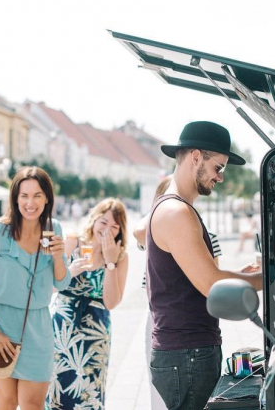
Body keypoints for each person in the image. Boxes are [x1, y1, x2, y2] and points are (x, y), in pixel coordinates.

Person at [147, 121, 263, 410]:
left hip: (187, 353)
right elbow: (211, 284)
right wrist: (268, 278)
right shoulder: (175, 212)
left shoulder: (176, 208)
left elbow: (200, 277)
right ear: (196, 157)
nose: (220, 177)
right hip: (186, 354)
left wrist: (240, 275)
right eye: (219, 167)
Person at [0, 166, 72, 410]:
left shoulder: (54, 229)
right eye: (24, 196)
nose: (31, 203)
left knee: (32, 404)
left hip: (38, 329)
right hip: (1, 328)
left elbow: (61, 283)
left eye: (37, 195)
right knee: (6, 403)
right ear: (15, 198)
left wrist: (59, 256)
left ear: (47, 198)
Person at [133, 175, 223, 410]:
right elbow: (137, 231)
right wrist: (165, 202)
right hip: (170, 326)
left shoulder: (195, 227)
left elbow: (212, 277)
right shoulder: (165, 218)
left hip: (184, 326)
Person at [47, 198, 130, 410]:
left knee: (90, 392)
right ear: (94, 220)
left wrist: (110, 262)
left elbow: (111, 302)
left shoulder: (120, 256)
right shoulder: (72, 243)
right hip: (63, 327)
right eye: (103, 222)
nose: (107, 230)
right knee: (56, 386)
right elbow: (48, 287)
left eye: (114, 226)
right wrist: (70, 272)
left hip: (95, 332)